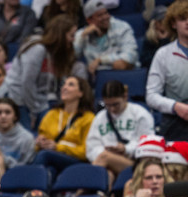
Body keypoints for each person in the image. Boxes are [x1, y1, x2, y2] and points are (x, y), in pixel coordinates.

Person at [0, 15, 83, 119]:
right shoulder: (38, 49)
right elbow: (27, 83)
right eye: (71, 35)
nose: (73, 40)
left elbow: (59, 85)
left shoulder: (58, 54)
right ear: (60, 34)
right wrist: (34, 111)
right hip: (16, 97)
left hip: (39, 100)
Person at [86, 81, 156, 182]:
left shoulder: (140, 114)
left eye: (115, 104)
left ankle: (79, 192)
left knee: (105, 158)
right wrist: (108, 153)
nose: (112, 109)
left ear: (125, 96)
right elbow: (91, 148)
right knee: (107, 175)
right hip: (105, 162)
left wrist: (125, 149)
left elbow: (148, 145)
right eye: (107, 105)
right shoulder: (100, 117)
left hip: (134, 163)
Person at [34, 76, 95, 176]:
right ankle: (40, 190)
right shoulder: (51, 114)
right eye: (64, 84)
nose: (64, 88)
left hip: (76, 160)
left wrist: (58, 147)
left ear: (81, 93)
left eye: (70, 85)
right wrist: (40, 142)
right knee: (50, 170)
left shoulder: (88, 118)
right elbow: (40, 143)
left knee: (44, 155)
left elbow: (86, 152)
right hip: (52, 157)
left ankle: (32, 188)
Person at [145, 0, 188, 141]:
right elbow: (151, 95)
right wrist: (175, 106)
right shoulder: (163, 54)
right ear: (173, 24)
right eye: (182, 19)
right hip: (176, 122)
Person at [75, 0, 139, 78]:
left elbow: (131, 55)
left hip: (122, 74)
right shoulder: (83, 34)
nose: (105, 17)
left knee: (120, 64)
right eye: (100, 15)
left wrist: (100, 60)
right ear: (89, 20)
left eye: (106, 13)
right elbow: (71, 57)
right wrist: (82, 37)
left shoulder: (122, 27)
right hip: (96, 77)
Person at [0, 97, 36, 172]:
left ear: (15, 116)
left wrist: (4, 159)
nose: (3, 116)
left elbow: (27, 167)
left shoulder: (27, 138)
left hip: (18, 177)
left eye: (7, 112)